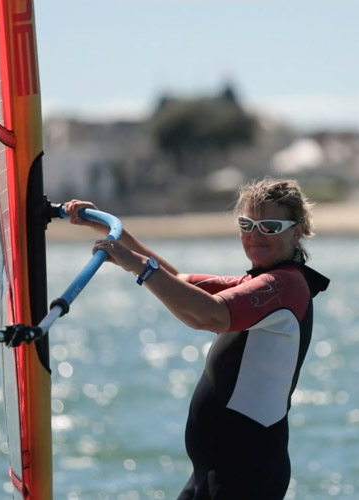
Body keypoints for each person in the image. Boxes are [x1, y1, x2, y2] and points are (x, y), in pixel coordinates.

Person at [64, 177, 330, 500]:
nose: (254, 236)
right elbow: (177, 280)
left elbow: (209, 315)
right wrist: (106, 232)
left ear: (298, 230)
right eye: (247, 224)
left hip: (246, 475)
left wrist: (136, 265)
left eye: (270, 227)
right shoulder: (258, 283)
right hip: (216, 470)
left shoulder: (284, 286)